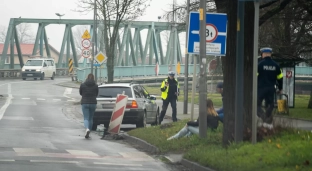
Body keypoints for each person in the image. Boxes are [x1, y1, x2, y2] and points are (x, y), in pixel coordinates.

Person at [257, 47, 283, 129]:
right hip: (271, 88)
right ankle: (268, 123)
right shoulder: (276, 65)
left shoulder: (259, 65)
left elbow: (255, 77)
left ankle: (264, 118)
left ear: (263, 54)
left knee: (256, 105)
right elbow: (280, 77)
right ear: (270, 54)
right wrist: (280, 88)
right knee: (269, 105)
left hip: (261, 88)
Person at [79, 73, 99, 139]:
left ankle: (87, 129)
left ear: (87, 77)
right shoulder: (96, 85)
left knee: (86, 118)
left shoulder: (83, 85)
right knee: (91, 118)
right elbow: (96, 94)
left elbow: (80, 93)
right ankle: (89, 131)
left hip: (85, 102)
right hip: (93, 103)